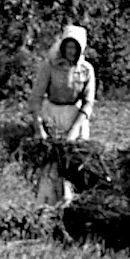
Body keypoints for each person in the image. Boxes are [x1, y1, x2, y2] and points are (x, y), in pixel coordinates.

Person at [27, 24, 96, 206]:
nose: (71, 51)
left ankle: (70, 207)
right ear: (63, 46)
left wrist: (74, 131)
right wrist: (39, 128)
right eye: (69, 46)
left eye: (76, 47)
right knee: (51, 165)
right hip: (52, 115)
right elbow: (35, 98)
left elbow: (88, 103)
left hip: (75, 118)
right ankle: (46, 207)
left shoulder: (87, 70)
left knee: (74, 164)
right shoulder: (49, 66)